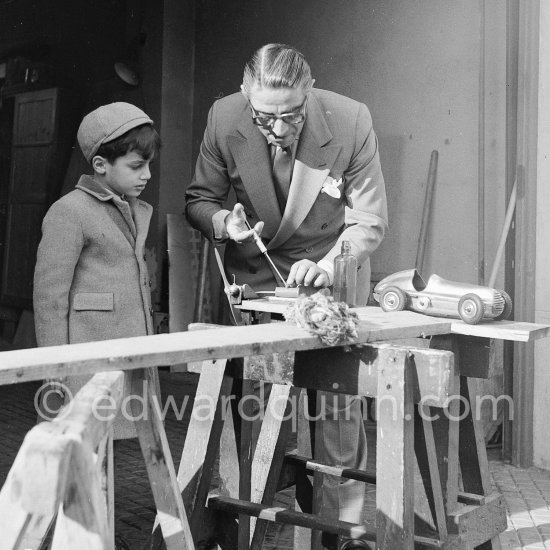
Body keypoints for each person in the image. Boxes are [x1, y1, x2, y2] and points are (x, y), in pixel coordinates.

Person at [185, 44, 387, 549]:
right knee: (261, 407)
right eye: (264, 117)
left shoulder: (351, 120)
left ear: (310, 92)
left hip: (331, 275)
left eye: (291, 116)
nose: (277, 129)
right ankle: (254, 517)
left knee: (337, 415)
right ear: (244, 96)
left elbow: (369, 221)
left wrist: (323, 267)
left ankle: (341, 531)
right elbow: (199, 199)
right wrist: (223, 224)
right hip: (258, 277)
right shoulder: (223, 116)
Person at [33, 102, 161, 439]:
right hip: (87, 363)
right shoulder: (69, 212)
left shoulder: (133, 209)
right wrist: (54, 369)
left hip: (129, 356)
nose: (146, 174)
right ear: (101, 165)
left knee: (116, 446)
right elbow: (50, 300)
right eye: (136, 166)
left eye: (148, 165)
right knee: (81, 445)